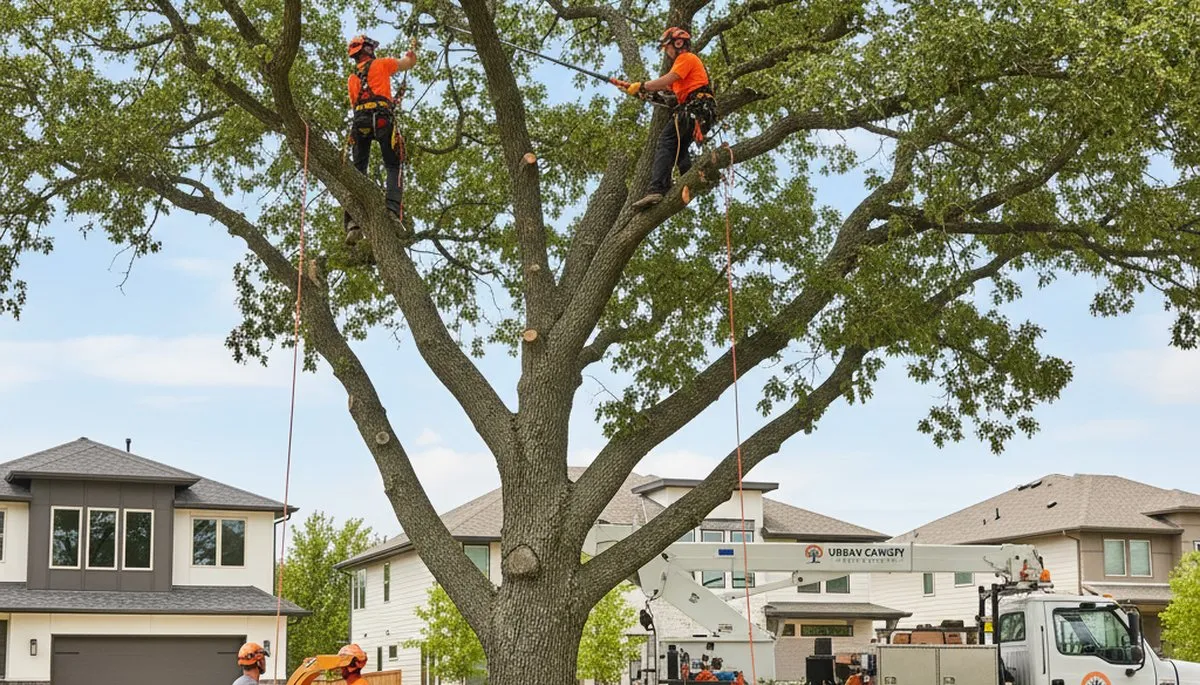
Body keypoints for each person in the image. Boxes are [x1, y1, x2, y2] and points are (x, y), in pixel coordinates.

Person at [621, 27, 716, 211]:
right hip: (696, 111)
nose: (667, 52)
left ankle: (657, 188)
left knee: (665, 142)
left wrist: (643, 85)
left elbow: (666, 80)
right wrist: (642, 93)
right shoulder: (681, 74)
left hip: (695, 109)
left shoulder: (686, 58)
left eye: (668, 48)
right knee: (679, 150)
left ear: (678, 43)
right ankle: (693, 178)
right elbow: (667, 96)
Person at [344, 34, 418, 246]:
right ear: (367, 50)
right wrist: (412, 52)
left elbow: (355, 104)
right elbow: (409, 63)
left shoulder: (352, 79)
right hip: (382, 119)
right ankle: (393, 211)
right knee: (393, 165)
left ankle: (352, 223)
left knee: (357, 171)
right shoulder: (381, 64)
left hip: (360, 122)